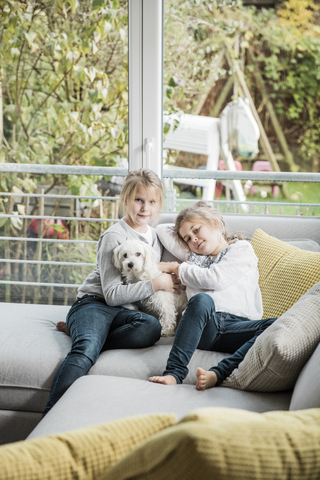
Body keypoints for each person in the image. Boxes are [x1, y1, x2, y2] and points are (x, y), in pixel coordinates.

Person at [43, 169, 183, 416]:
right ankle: (51, 417)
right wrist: (157, 284)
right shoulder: (114, 237)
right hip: (96, 304)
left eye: (152, 202)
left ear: (159, 204)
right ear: (126, 201)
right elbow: (111, 294)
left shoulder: (155, 237)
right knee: (86, 350)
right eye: (138, 200)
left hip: (127, 312)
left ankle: (83, 333)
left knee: (151, 328)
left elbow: (151, 268)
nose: (144, 208)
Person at [149, 201, 276, 390]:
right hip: (204, 327)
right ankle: (174, 373)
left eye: (196, 230)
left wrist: (175, 267)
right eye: (187, 239)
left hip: (238, 327)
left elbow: (214, 279)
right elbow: (161, 229)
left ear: (215, 222)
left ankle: (219, 373)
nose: (193, 239)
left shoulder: (241, 250)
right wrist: (190, 229)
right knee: (201, 300)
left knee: (273, 325)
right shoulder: (194, 261)